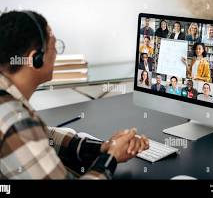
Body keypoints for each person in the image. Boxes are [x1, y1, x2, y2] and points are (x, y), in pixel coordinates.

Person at [0, 11, 149, 180]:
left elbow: (42, 137)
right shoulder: (14, 121)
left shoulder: (10, 106)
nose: (56, 54)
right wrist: (111, 158)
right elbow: (24, 133)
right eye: (54, 46)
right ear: (36, 59)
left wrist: (102, 148)